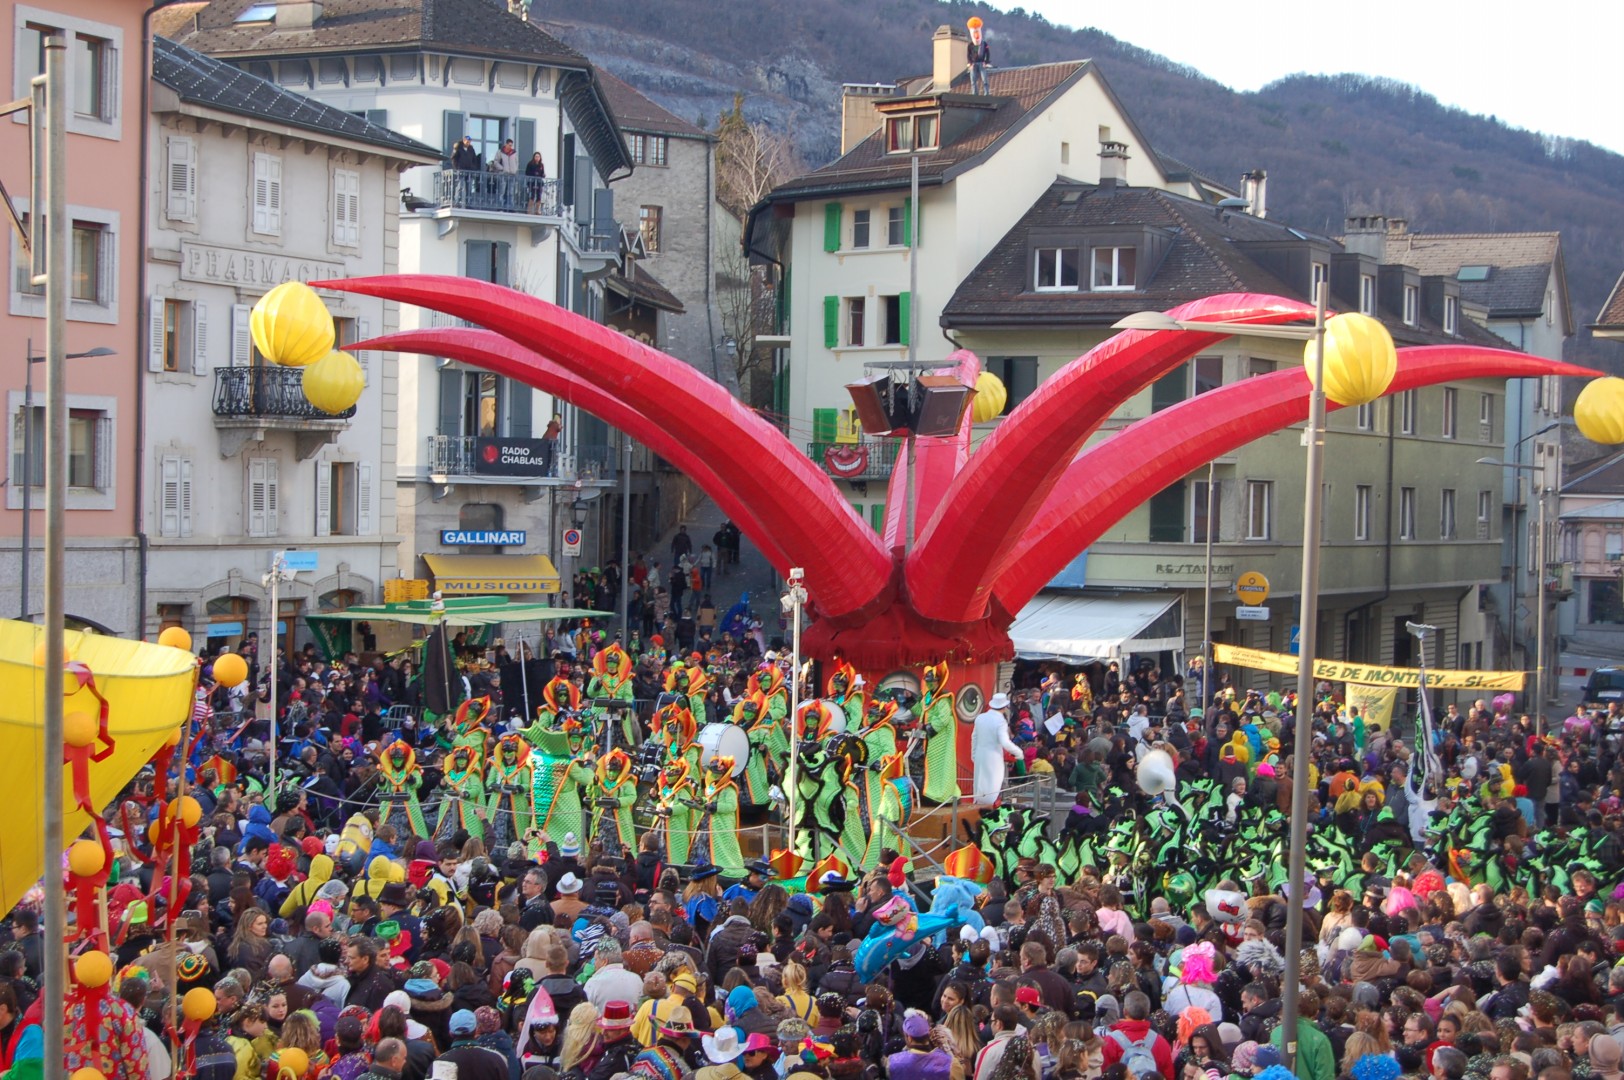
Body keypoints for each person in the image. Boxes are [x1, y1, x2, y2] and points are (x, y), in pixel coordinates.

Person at [967, 18, 992, 96]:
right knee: (973, 80)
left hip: (981, 63)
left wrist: (986, 62)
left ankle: (986, 93)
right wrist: (970, 63)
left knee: (984, 79)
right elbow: (968, 54)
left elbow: (987, 53)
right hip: (974, 63)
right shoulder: (971, 45)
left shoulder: (984, 44)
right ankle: (975, 93)